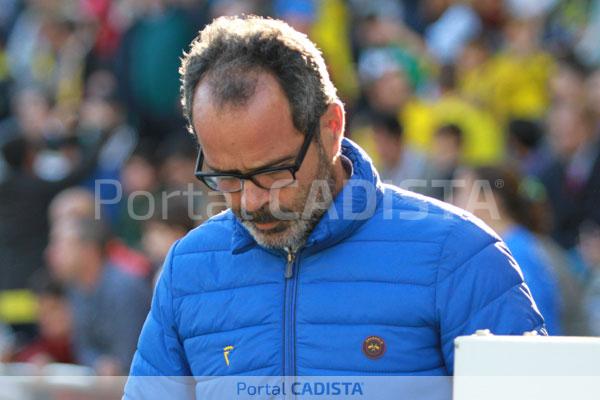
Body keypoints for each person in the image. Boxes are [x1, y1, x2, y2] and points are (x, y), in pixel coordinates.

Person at [125, 16, 544, 395]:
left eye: (274, 172)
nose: (251, 201)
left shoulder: (458, 255)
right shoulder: (189, 269)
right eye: (225, 177)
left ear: (331, 128)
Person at [46, 217, 151, 375]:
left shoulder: (125, 288)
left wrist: (111, 366)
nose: (50, 253)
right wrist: (98, 363)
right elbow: (82, 347)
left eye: (61, 245)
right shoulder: (75, 287)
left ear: (88, 250)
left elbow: (133, 354)